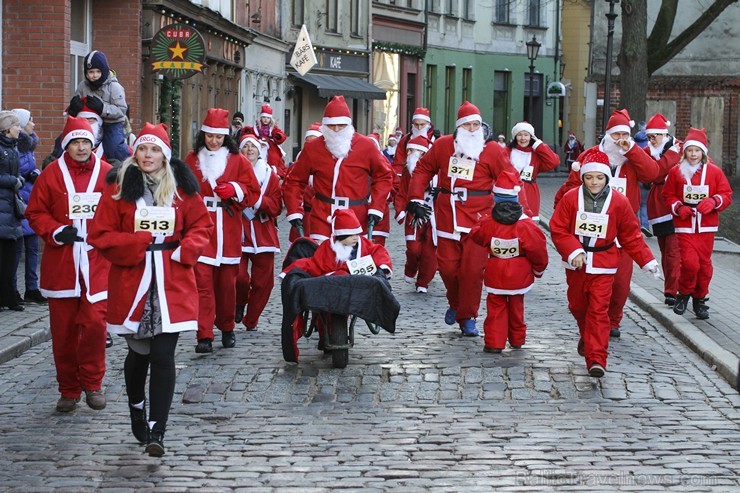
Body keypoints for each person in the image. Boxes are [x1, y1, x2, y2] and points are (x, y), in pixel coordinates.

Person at [88, 122, 212, 457]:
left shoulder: (182, 189)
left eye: (155, 149)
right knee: (139, 355)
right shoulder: (117, 187)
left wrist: (188, 249)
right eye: (143, 149)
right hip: (133, 282)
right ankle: (136, 407)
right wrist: (134, 243)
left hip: (172, 281)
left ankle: (158, 430)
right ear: (135, 151)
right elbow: (100, 234)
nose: (148, 155)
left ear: (164, 154)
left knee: (162, 355)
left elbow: (202, 225)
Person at [404, 101, 520, 337]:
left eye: (476, 124)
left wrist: (512, 209)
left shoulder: (492, 150)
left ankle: (468, 317)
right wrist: (415, 198)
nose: (472, 128)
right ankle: (456, 304)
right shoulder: (443, 145)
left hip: (479, 219)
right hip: (447, 216)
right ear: (458, 127)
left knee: (472, 272)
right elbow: (424, 169)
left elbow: (509, 176)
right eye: (467, 124)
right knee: (447, 269)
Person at [26, 116, 112, 411]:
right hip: (62, 263)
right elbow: (35, 212)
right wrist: (56, 230)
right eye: (75, 142)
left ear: (92, 144)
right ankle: (69, 389)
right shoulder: (50, 174)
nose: (80, 147)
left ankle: (92, 383)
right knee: (63, 333)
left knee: (94, 327)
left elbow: (121, 211)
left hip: (96, 262)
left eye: (85, 142)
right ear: (67, 144)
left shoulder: (107, 173)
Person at [550, 148, 659, 377]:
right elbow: (558, 228)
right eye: (589, 177)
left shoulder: (619, 202)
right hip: (577, 264)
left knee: (599, 311)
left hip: (604, 263)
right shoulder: (571, 199)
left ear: (607, 177)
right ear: (583, 178)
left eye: (599, 177)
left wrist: (647, 260)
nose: (594, 182)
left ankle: (597, 359)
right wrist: (573, 251)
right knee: (578, 306)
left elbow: (630, 235)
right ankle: (587, 337)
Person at [554, 109, 659, 338]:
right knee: (584, 287)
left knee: (621, 284)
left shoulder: (631, 159)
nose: (620, 140)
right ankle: (592, 322)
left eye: (625, 134)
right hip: (588, 227)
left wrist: (632, 150)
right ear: (607, 135)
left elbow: (652, 173)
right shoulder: (590, 155)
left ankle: (613, 320)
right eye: (616, 135)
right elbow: (573, 184)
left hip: (622, 228)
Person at [185, 108, 260, 353]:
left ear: (225, 137)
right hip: (202, 226)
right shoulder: (192, 159)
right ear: (203, 135)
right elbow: (181, 192)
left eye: (218, 137)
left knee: (228, 284)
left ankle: (227, 327)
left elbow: (252, 193)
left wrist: (236, 189)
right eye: (210, 136)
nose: (214, 141)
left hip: (228, 227)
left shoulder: (237, 160)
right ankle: (204, 334)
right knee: (202, 284)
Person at [283, 96, 393, 244]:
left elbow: (384, 176)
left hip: (356, 215)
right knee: (322, 262)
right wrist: (294, 210)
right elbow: (295, 180)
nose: (336, 130)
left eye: (340, 125)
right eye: (331, 125)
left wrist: (376, 207)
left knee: (352, 262)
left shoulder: (366, 146)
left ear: (348, 125)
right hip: (323, 216)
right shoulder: (313, 148)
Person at [470, 168, 548, 353]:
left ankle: (494, 343)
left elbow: (476, 235)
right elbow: (538, 250)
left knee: (495, 307)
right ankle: (517, 339)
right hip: (519, 271)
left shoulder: (488, 223)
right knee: (516, 307)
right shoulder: (526, 225)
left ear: (495, 198)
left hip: (495, 269)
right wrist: (538, 269)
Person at [663, 127, 733, 319]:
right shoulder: (676, 172)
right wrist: (679, 208)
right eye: (690, 150)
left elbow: (726, 195)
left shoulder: (714, 172)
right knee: (690, 264)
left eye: (697, 150)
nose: (693, 154)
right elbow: (667, 195)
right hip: (685, 225)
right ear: (684, 151)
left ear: (703, 152)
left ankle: (700, 299)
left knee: (704, 266)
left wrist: (713, 202)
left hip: (707, 226)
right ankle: (684, 293)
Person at [235, 131, 282, 331]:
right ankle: (239, 303)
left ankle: (251, 319)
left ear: (259, 151)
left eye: (253, 146)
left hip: (263, 232)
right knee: (239, 278)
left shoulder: (269, 175)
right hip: (238, 231)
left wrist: (260, 201)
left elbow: (277, 206)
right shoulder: (232, 172)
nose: (249, 150)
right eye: (245, 146)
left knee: (264, 282)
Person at [281, 208, 392, 279]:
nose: (355, 238)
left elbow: (379, 252)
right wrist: (290, 272)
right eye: (351, 235)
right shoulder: (328, 247)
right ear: (340, 236)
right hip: (332, 285)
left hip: (359, 285)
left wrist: (382, 267)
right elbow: (313, 264)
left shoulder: (364, 244)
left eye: (357, 234)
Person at [643, 113, 682, 306]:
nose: (651, 140)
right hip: (657, 204)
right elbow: (650, 170)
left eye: (654, 137)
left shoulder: (680, 148)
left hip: (675, 203)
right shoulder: (649, 150)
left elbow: (657, 170)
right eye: (649, 137)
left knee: (674, 250)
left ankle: (673, 290)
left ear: (663, 134)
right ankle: (671, 288)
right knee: (665, 249)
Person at [393, 135, 438, 293]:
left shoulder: (436, 170)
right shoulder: (407, 172)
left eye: (415, 150)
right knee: (413, 249)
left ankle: (423, 282)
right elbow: (401, 193)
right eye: (409, 150)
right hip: (413, 213)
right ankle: (410, 270)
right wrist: (402, 212)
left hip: (433, 213)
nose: (411, 153)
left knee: (430, 251)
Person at [72, 50, 130, 162]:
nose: (94, 76)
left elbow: (121, 109)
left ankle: (123, 167)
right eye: (90, 72)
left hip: (111, 123)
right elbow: (76, 101)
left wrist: (102, 108)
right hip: (88, 123)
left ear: (104, 71)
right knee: (66, 139)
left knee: (114, 146)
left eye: (98, 71)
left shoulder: (114, 87)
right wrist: (74, 109)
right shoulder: (83, 86)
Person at [11, 109, 44, 304]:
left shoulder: (29, 144)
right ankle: (13, 289)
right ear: (21, 125)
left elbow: (30, 168)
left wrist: (35, 173)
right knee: (16, 251)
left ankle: (32, 287)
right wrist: (26, 178)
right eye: (30, 121)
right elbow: (14, 171)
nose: (34, 124)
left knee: (32, 248)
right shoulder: (15, 145)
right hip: (19, 201)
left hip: (30, 198)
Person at [506, 121, 560, 222]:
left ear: (531, 137)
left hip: (529, 192)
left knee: (527, 224)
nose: (523, 138)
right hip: (508, 191)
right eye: (519, 135)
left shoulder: (536, 154)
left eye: (526, 135)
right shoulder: (507, 151)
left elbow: (554, 162)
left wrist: (539, 145)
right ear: (515, 137)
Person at [0, 111, 25, 311]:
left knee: (10, 259)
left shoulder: (13, 148)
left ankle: (9, 297)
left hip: (10, 208)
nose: (20, 128)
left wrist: (19, 180)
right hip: (2, 209)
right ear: (7, 128)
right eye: (17, 125)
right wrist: (14, 181)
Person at [286, 122, 320, 243]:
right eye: (308, 140)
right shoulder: (297, 166)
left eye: (314, 140)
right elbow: (290, 188)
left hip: (320, 217)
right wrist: (294, 211)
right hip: (302, 216)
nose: (310, 144)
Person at [392, 108, 438, 185]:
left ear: (428, 124)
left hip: (432, 183)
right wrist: (398, 181)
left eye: (422, 125)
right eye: (416, 124)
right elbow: (398, 162)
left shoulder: (436, 139)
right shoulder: (405, 140)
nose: (419, 128)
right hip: (408, 181)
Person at [254, 104, 288, 178]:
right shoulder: (256, 127)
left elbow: (281, 134)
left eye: (267, 118)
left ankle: (273, 172)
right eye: (264, 117)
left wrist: (278, 136)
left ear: (270, 119)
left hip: (270, 147)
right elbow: (251, 133)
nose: (266, 119)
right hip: (259, 145)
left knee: (274, 158)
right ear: (260, 118)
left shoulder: (273, 127)